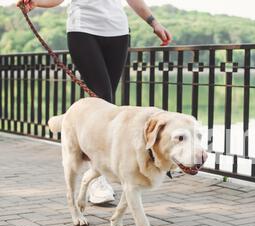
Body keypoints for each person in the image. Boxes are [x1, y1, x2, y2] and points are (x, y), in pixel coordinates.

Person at [18, 0, 172, 204]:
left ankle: (73, 128)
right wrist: (36, 2)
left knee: (106, 106)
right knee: (102, 98)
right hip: (83, 29)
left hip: (118, 32)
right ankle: (97, 179)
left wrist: (153, 22)